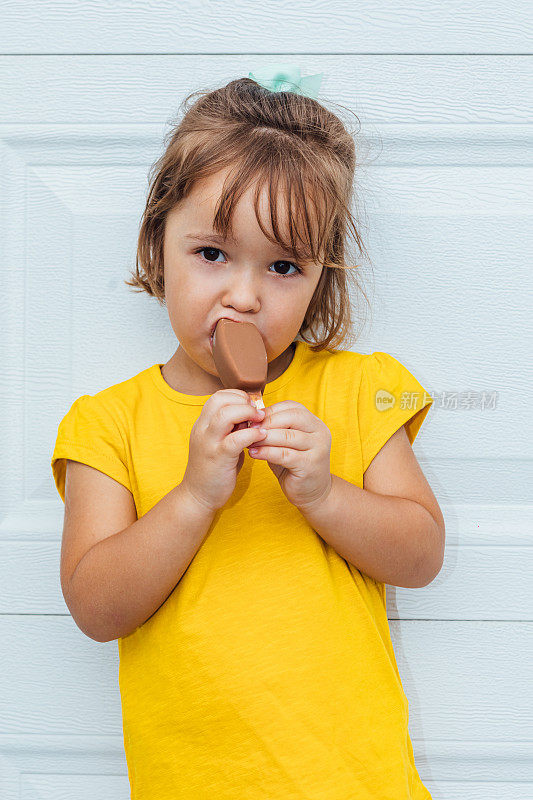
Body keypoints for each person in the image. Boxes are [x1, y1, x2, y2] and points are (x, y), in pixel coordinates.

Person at [51, 65, 444, 799]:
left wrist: (326, 494)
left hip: (352, 781)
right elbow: (96, 608)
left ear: (318, 280)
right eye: (212, 253)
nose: (243, 294)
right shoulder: (106, 423)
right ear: (155, 249)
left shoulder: (356, 390)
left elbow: (420, 555)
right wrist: (194, 497)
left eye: (284, 266)